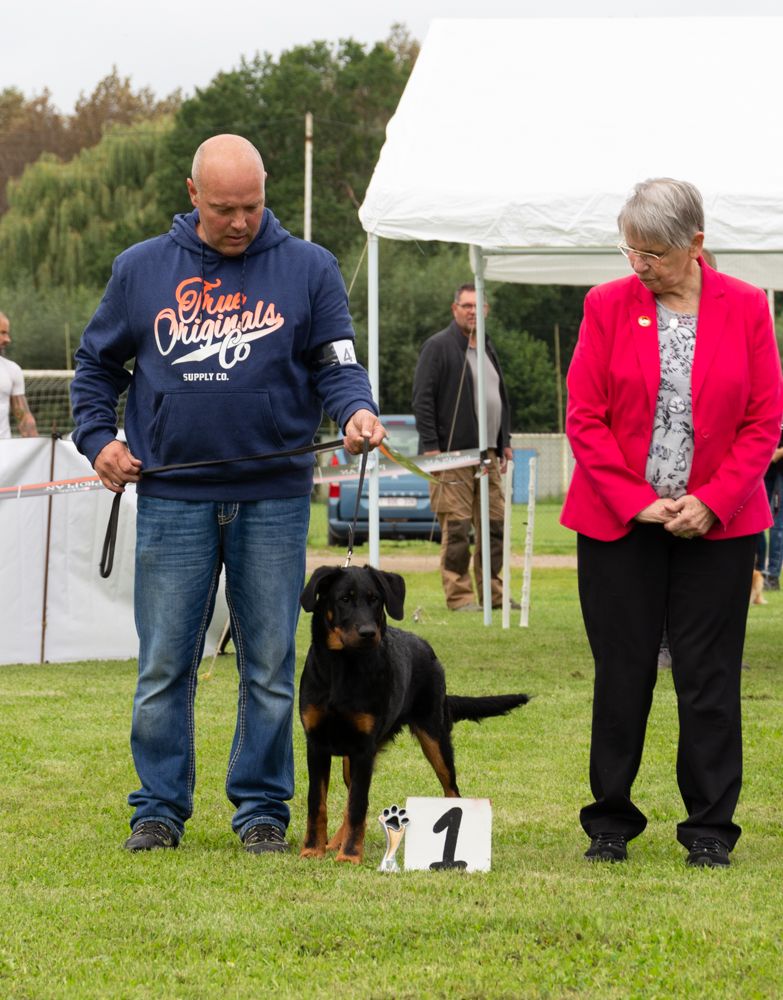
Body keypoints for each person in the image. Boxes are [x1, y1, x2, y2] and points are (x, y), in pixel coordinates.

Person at [70, 134, 385, 854]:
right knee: (163, 665)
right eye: (222, 210)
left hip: (272, 499)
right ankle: (157, 807)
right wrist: (99, 440)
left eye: (251, 206)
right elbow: (95, 368)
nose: (239, 222)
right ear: (192, 196)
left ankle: (262, 811)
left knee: (270, 664)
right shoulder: (140, 269)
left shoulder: (310, 268)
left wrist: (356, 410)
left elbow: (336, 361)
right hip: (173, 499)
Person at [561, 178, 783, 868]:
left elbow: (762, 420)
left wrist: (712, 499)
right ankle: (609, 821)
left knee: (708, 677)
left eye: (652, 252)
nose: (638, 265)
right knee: (621, 674)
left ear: (694, 243)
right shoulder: (605, 306)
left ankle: (710, 830)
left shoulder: (746, 306)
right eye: (631, 249)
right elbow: (584, 417)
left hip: (717, 526)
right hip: (618, 525)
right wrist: (638, 500)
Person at [412, 283, 516, 612]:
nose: (473, 311)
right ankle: (459, 596)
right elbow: (422, 400)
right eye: (466, 305)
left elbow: (499, 398)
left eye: (478, 306)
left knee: (494, 524)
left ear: (485, 310)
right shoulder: (438, 346)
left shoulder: (486, 346)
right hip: (451, 455)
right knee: (457, 528)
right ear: (454, 308)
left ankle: (493, 594)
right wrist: (431, 448)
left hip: (488, 454)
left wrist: (504, 442)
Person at [0, 311, 38, 438]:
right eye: (2, 333)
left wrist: (37, 451)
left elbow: (25, 420)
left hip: (3, 453)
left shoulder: (12, 370)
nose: (7, 339)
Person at [756, 423, 783, 590]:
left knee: (777, 525)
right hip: (765, 469)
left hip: (780, 469)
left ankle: (772, 576)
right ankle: (758, 572)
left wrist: (776, 453)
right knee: (757, 521)